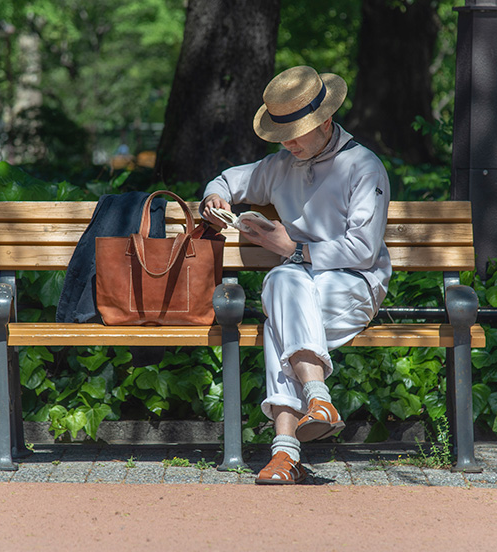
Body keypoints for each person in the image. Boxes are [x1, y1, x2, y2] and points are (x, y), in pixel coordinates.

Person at [200, 66, 392, 485]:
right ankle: (318, 401)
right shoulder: (282, 164)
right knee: (285, 285)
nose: (287, 142)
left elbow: (363, 250)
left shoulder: (363, 166)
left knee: (279, 315)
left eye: (297, 131)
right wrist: (215, 195)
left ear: (325, 121)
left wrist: (296, 250)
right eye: (281, 134)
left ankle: (286, 452)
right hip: (300, 289)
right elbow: (229, 179)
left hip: (355, 284)